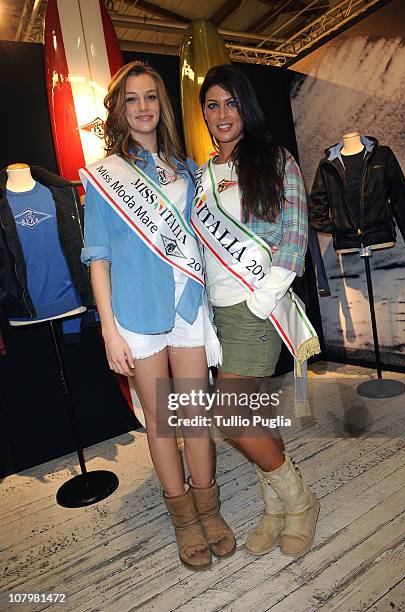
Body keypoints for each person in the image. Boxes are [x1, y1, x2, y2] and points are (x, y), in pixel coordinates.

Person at [80, 61, 235, 571]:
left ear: (161, 105)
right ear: (120, 110)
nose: (143, 107)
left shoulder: (185, 168)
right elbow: (97, 254)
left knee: (194, 413)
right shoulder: (106, 176)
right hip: (135, 314)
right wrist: (107, 328)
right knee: (163, 422)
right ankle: (184, 521)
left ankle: (208, 506)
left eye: (150, 97)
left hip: (187, 307)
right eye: (132, 99)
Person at [192, 64, 320, 557]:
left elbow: (295, 231)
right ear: (203, 112)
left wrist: (268, 290)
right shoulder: (201, 172)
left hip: (257, 305)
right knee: (250, 415)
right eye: (212, 104)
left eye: (230, 103)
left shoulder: (275, 159)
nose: (222, 114)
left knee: (228, 411)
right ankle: (276, 506)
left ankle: (300, 500)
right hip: (219, 311)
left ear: (246, 106)